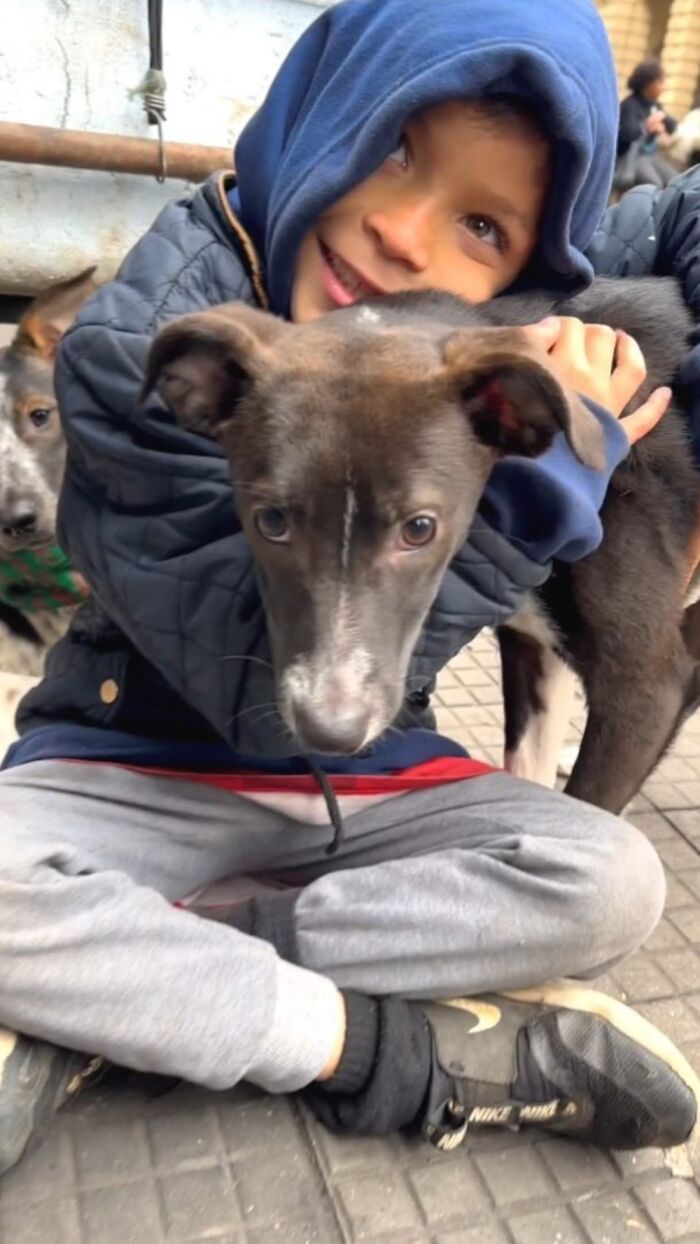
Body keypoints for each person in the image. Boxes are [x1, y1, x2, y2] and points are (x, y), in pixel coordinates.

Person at [2, 0, 700, 1175]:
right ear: (323, 111)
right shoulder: (165, 350)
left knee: (610, 880)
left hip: (371, 799)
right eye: (390, 152)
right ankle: (383, 1046)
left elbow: (664, 276)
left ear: (528, 265)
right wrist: (534, 499)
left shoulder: (469, 370)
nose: (403, 235)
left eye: (482, 224)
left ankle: (136, 983)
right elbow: (270, 708)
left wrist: (543, 459)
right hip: (135, 771)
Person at [615, 57, 678, 190]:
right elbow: (627, 134)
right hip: (632, 158)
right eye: (660, 82)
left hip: (651, 155)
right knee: (654, 185)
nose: (663, 87)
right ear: (647, 83)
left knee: (676, 182)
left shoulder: (655, 105)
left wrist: (662, 119)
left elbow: (672, 126)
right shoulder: (630, 105)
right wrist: (647, 126)